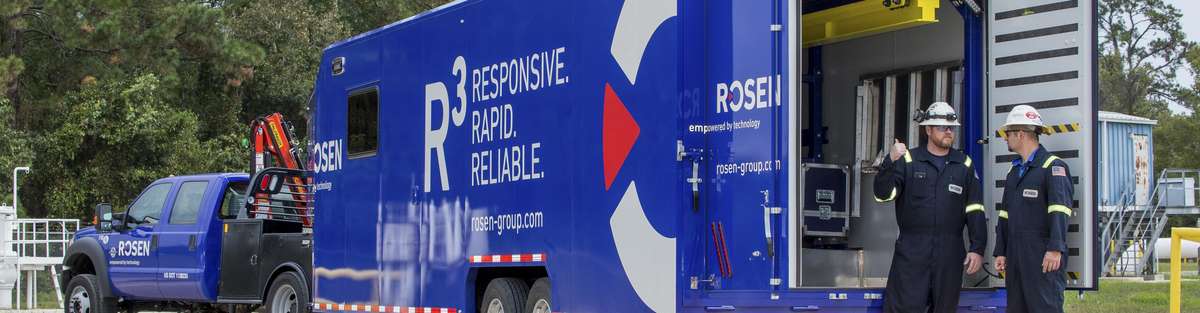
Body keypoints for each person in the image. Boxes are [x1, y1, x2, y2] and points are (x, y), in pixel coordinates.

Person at [873, 102, 988, 312]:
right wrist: (890, 160)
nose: (948, 132)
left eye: (951, 128)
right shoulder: (909, 160)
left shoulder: (964, 164)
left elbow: (975, 209)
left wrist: (977, 248)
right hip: (912, 252)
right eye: (942, 127)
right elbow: (883, 195)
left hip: (950, 253)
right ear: (928, 130)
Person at [993, 105, 1074, 313]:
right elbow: (1005, 214)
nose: (1005, 138)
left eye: (1008, 133)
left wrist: (1055, 249)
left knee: (1044, 307)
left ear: (1020, 134)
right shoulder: (1014, 170)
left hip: (1042, 256)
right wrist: (1001, 251)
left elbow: (1060, 211)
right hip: (1016, 255)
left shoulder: (1052, 167)